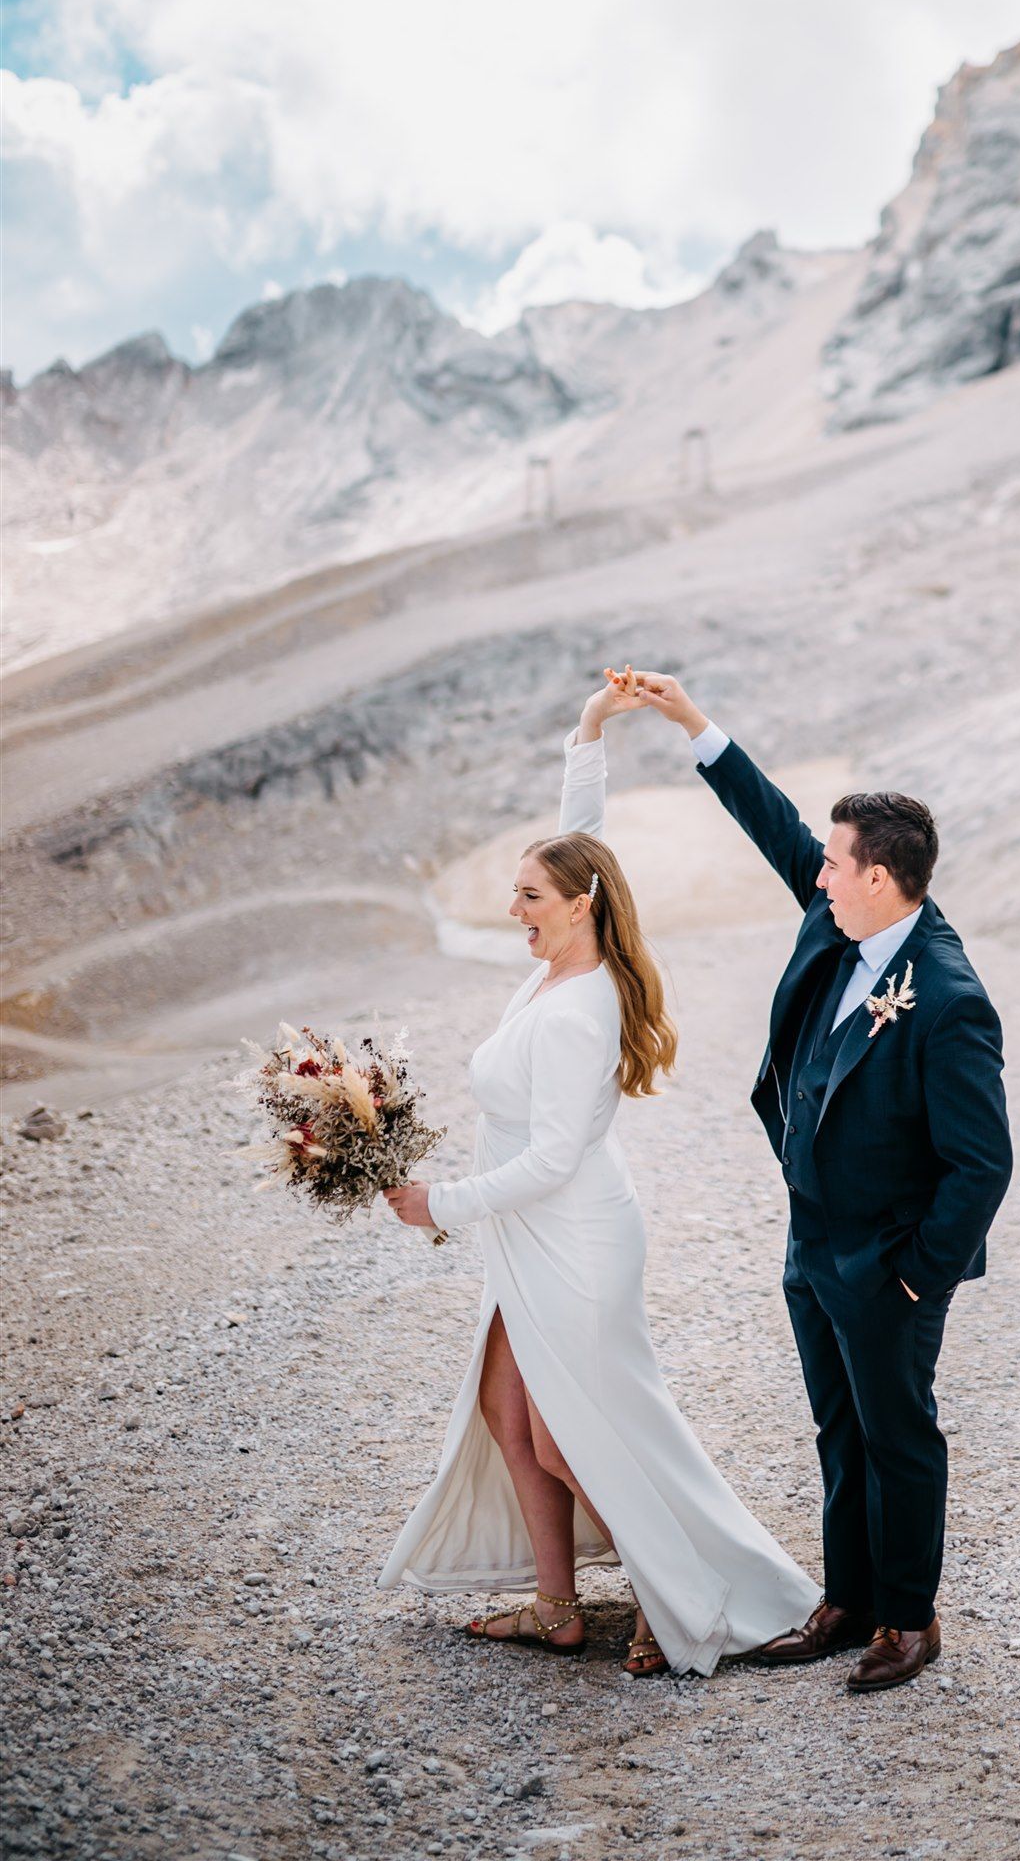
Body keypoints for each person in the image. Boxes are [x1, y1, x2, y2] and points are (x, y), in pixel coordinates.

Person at [377, 668, 820, 1677]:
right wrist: (590, 727)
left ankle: (685, 1596)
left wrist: (435, 1202)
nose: (512, 906)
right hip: (531, 1239)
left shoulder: (583, 1006)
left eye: (528, 894)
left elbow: (553, 1156)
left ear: (575, 907)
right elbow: (582, 838)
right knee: (509, 1415)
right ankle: (557, 1603)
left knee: (575, 1430)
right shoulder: (557, 961)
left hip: (572, 1239)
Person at [628, 668, 1013, 1694]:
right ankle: (845, 1601)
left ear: (881, 877)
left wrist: (917, 1274)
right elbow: (779, 828)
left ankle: (906, 1618)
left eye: (837, 865)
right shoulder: (839, 917)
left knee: (898, 1432)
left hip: (885, 1256)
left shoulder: (948, 998)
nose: (820, 875)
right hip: (811, 1239)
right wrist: (695, 726)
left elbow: (985, 1161)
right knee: (837, 1424)